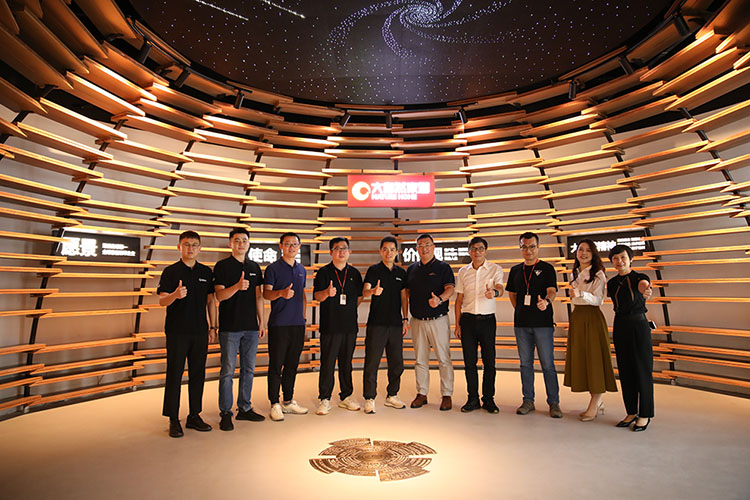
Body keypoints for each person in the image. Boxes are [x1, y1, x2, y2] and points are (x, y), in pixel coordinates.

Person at [157, 230, 217, 438]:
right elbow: (162, 301)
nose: (190, 248)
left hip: (200, 331)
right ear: (179, 247)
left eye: (194, 245)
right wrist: (175, 295)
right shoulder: (171, 272)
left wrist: (213, 327)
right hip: (177, 331)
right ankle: (173, 418)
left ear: (200, 248)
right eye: (186, 244)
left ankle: (194, 415)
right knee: (174, 374)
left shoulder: (206, 272)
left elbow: (211, 301)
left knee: (198, 374)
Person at [213, 228, 266, 431]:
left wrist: (261, 322)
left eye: (244, 240)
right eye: (237, 240)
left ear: (249, 243)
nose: (241, 244)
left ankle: (244, 407)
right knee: (227, 371)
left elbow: (259, 296)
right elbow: (219, 296)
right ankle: (226, 413)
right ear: (230, 244)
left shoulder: (254, 267)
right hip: (230, 327)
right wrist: (236, 286)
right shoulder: (222, 266)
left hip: (251, 328)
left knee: (249, 369)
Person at [506, 231, 562, 418]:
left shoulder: (547, 268)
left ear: (538, 247)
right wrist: (519, 310)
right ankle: (528, 400)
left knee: (548, 364)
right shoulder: (515, 270)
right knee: (525, 364)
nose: (528, 250)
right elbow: (512, 294)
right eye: (524, 247)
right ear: (520, 248)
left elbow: (552, 290)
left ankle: (554, 402)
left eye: (531, 247)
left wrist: (546, 301)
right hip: (521, 324)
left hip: (543, 324)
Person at [563, 239, 617, 422]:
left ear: (593, 253)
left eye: (587, 250)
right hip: (578, 316)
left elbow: (599, 299)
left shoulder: (598, 274)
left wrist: (581, 294)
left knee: (594, 359)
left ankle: (596, 401)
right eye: (580, 250)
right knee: (583, 358)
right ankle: (597, 401)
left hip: (592, 317)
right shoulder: (575, 272)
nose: (583, 253)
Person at [313, 237, 363, 415]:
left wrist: (347, 310)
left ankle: (346, 396)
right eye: (337, 249)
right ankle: (324, 398)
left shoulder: (354, 273)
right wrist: (327, 293)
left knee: (346, 363)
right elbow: (317, 297)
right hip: (330, 326)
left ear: (349, 251)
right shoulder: (323, 272)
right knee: (327, 363)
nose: (341, 252)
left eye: (344, 248)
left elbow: (359, 297)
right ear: (330, 252)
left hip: (349, 326)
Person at [454, 236, 504, 413]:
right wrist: (457, 325)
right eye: (474, 249)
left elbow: (500, 288)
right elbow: (459, 300)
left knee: (489, 362)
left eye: (481, 248)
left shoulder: (495, 269)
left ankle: (489, 399)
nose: (477, 252)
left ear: (486, 251)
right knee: (470, 363)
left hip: (487, 321)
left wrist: (495, 293)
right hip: (467, 321)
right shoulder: (463, 272)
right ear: (469, 252)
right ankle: (472, 399)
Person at [406, 234, 456, 411]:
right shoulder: (411, 269)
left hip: (438, 320)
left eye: (427, 244)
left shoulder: (443, 267)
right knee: (420, 359)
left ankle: (447, 394)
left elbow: (450, 289)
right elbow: (407, 293)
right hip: (417, 321)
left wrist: (439, 300)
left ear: (433, 247)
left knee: (444, 359)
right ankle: (422, 393)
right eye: (420, 245)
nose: (424, 248)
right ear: (417, 249)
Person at [607, 244, 654, 432]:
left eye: (623, 257)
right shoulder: (611, 283)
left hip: (638, 325)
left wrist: (646, 290)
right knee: (625, 370)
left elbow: (644, 286)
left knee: (643, 369)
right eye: (615, 258)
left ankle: (645, 414)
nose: (619, 261)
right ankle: (631, 411)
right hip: (620, 325)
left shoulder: (639, 277)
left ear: (631, 259)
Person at [263, 232, 309, 421]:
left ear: (299, 247)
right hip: (279, 324)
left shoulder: (301, 269)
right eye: (288, 244)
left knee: (292, 364)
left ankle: (288, 401)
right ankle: (274, 403)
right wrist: (280, 293)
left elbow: (303, 294)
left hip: (297, 324)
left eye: (295, 244)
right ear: (281, 246)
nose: (291, 247)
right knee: (276, 365)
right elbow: (266, 294)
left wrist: (303, 318)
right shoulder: (273, 269)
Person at [361, 236, 408, 414]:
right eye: (385, 249)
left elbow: (404, 297)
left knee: (397, 363)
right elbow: (364, 291)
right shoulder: (373, 270)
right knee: (372, 362)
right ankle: (369, 398)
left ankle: (392, 395)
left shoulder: (401, 273)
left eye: (392, 249)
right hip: (376, 324)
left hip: (395, 324)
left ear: (397, 252)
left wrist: (405, 319)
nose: (389, 253)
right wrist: (373, 291)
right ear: (380, 251)